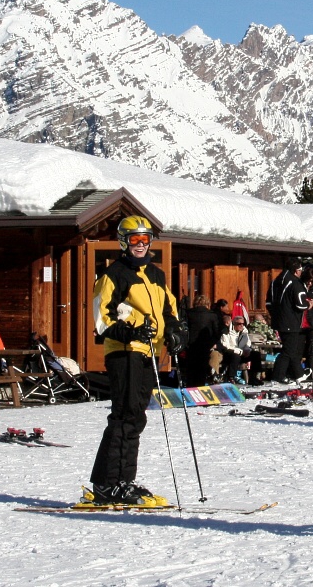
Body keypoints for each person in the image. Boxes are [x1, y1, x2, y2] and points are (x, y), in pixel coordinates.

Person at [90, 215, 187, 506]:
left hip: (149, 352)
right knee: (124, 415)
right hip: (124, 351)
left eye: (145, 240)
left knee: (136, 417)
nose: (141, 245)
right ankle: (107, 484)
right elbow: (101, 320)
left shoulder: (156, 274)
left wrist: (174, 330)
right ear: (124, 242)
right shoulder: (113, 275)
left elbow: (169, 310)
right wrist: (130, 329)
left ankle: (123, 481)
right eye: (135, 240)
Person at [268, 258, 313, 384]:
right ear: (295, 271)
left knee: (291, 349)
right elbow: (300, 304)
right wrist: (309, 304)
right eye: (300, 270)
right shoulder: (295, 283)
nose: (301, 273)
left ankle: (299, 375)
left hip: (278, 321)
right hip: (291, 321)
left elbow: (268, 303)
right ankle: (276, 377)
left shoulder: (275, 282)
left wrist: (277, 314)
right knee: (288, 351)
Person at [184, 295, 222, 387]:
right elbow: (217, 332)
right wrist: (211, 343)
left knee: (191, 369)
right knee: (201, 369)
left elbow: (185, 329)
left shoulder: (188, 313)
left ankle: (190, 388)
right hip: (205, 345)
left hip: (191, 345)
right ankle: (199, 388)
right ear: (207, 304)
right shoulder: (212, 315)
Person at [220, 313, 264, 385]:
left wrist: (247, 350)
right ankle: (231, 377)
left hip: (242, 353)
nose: (241, 325)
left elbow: (247, 343)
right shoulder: (226, 332)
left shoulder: (244, 331)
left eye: (242, 324)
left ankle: (253, 377)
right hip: (229, 353)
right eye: (239, 324)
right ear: (234, 324)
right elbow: (226, 346)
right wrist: (241, 352)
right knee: (235, 356)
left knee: (255, 354)